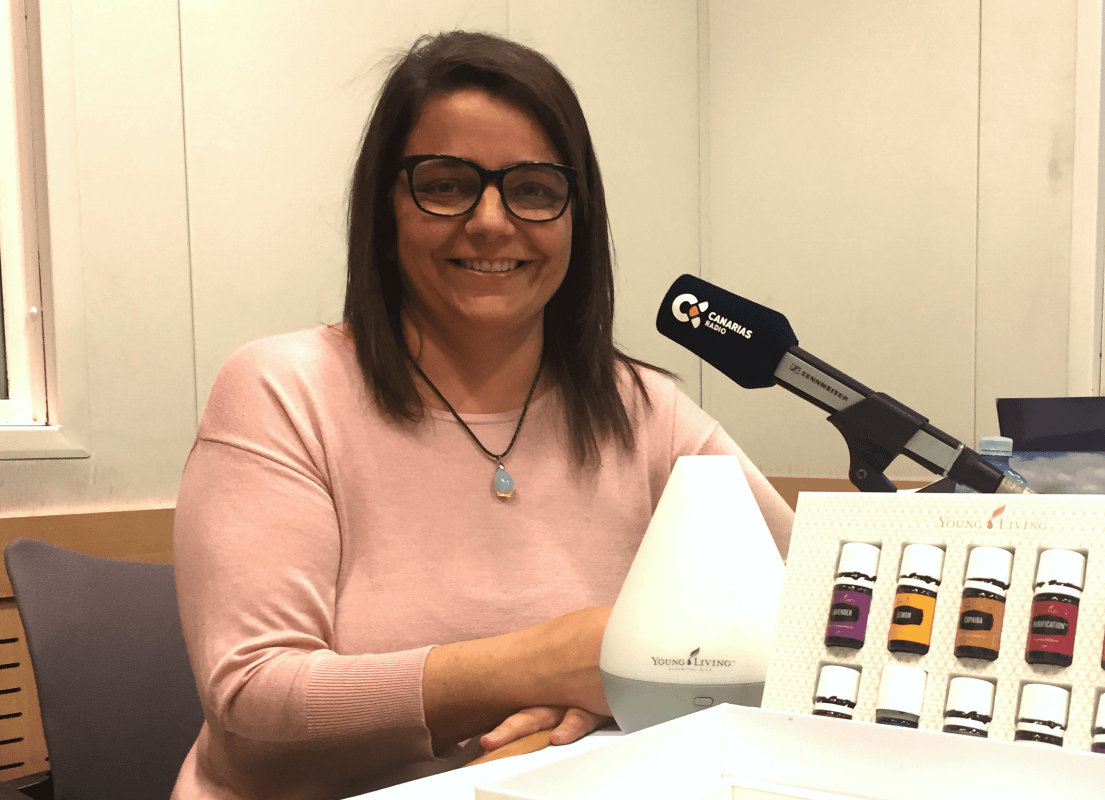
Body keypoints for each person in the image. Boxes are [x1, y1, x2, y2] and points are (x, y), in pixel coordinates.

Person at [171, 30, 793, 800]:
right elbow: (254, 692)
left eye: (533, 188)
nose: (493, 221)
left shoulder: (645, 411)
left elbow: (814, 613)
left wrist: (611, 694)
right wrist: (546, 663)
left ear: (576, 216)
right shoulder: (281, 390)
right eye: (446, 184)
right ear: (387, 211)